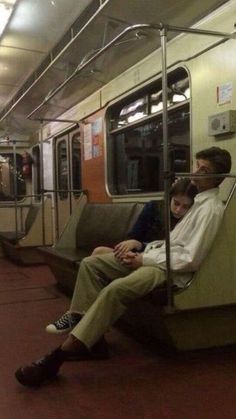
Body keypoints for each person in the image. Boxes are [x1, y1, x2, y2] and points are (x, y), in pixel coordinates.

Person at [15, 146, 232, 387]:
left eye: (205, 170)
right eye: (196, 165)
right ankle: (91, 338)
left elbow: (190, 258)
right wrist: (143, 250)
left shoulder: (210, 209)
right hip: (157, 258)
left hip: (167, 271)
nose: (196, 172)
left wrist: (144, 260)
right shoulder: (198, 202)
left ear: (218, 177)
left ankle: (57, 358)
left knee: (116, 289)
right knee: (91, 264)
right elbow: (175, 243)